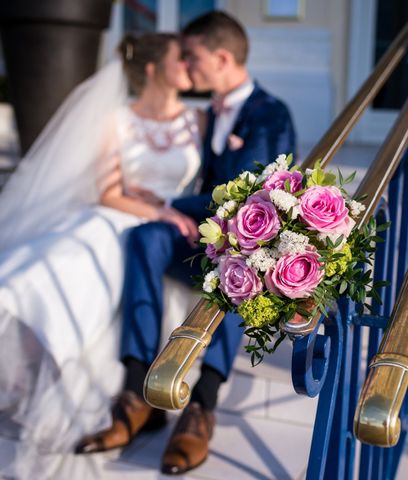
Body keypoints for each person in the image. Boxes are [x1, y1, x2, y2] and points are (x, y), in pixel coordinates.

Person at [75, 11, 297, 476]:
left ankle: (202, 405)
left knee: (246, 267)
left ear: (220, 58)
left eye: (192, 56)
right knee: (146, 236)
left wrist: (171, 198)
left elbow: (247, 188)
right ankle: (137, 390)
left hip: (244, 246)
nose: (187, 66)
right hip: (202, 239)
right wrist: (168, 212)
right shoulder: (206, 113)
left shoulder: (270, 112)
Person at [0, 33, 203, 479]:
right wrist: (157, 209)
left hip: (172, 228)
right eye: (179, 58)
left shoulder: (198, 120)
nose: (189, 66)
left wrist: (170, 213)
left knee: (105, 260)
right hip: (125, 213)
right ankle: (31, 360)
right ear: (152, 69)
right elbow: (109, 191)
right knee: (58, 261)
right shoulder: (116, 119)